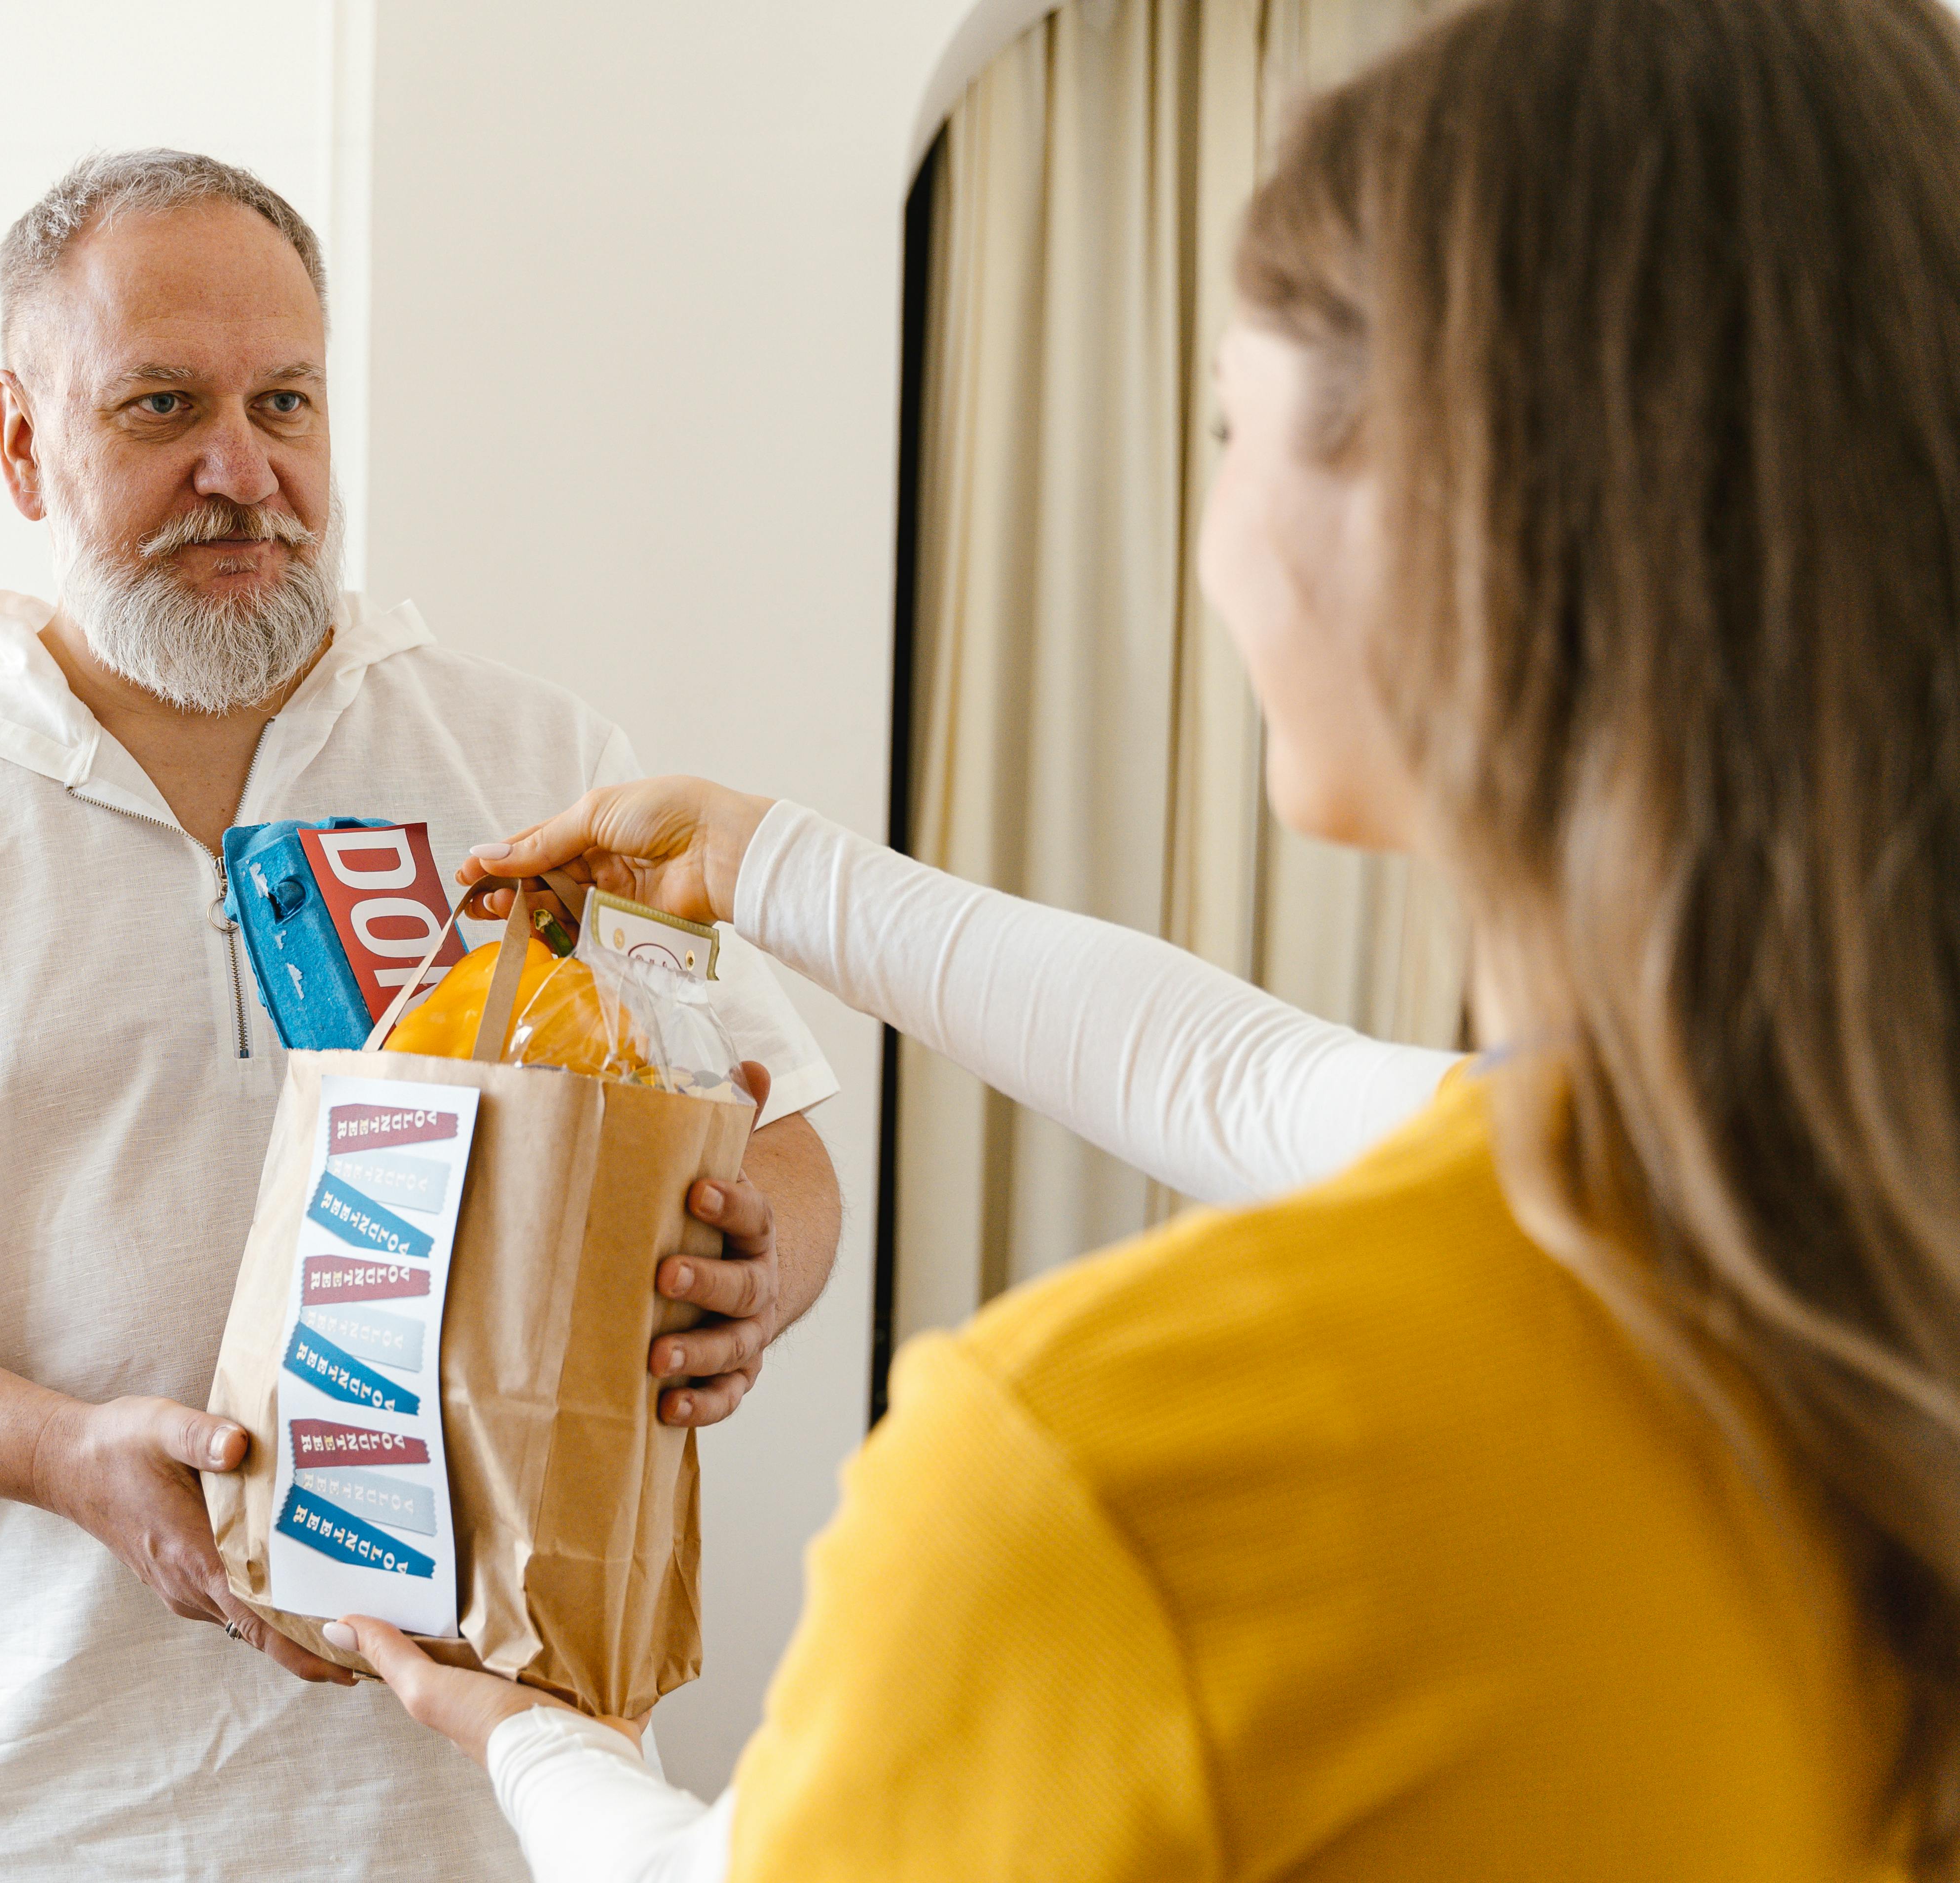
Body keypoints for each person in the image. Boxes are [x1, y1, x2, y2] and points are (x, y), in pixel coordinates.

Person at [340, 0, 1960, 1876]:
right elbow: (1249, 1077)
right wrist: (766, 857)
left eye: (1226, 424)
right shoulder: (1835, 1256)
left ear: (1446, 517)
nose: (1206, 533)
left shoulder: (1103, 1480)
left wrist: (545, 1747)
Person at [0, 151, 848, 1882]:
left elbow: (778, 1138)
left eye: (286, 402)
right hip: (46, 1804)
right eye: (160, 406)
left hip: (504, 1793)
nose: (240, 469)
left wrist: (753, 1273)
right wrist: (58, 1454)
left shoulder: (542, 767)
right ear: (24, 441)